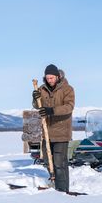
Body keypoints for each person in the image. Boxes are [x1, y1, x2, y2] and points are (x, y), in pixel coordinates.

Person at [32, 64, 75, 192]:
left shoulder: (67, 89)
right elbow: (37, 106)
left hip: (61, 132)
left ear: (57, 76)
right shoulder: (42, 89)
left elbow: (69, 107)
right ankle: (54, 182)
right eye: (47, 78)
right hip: (47, 131)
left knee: (59, 163)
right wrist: (35, 99)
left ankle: (62, 190)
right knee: (47, 160)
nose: (49, 80)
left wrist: (52, 110)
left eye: (51, 78)